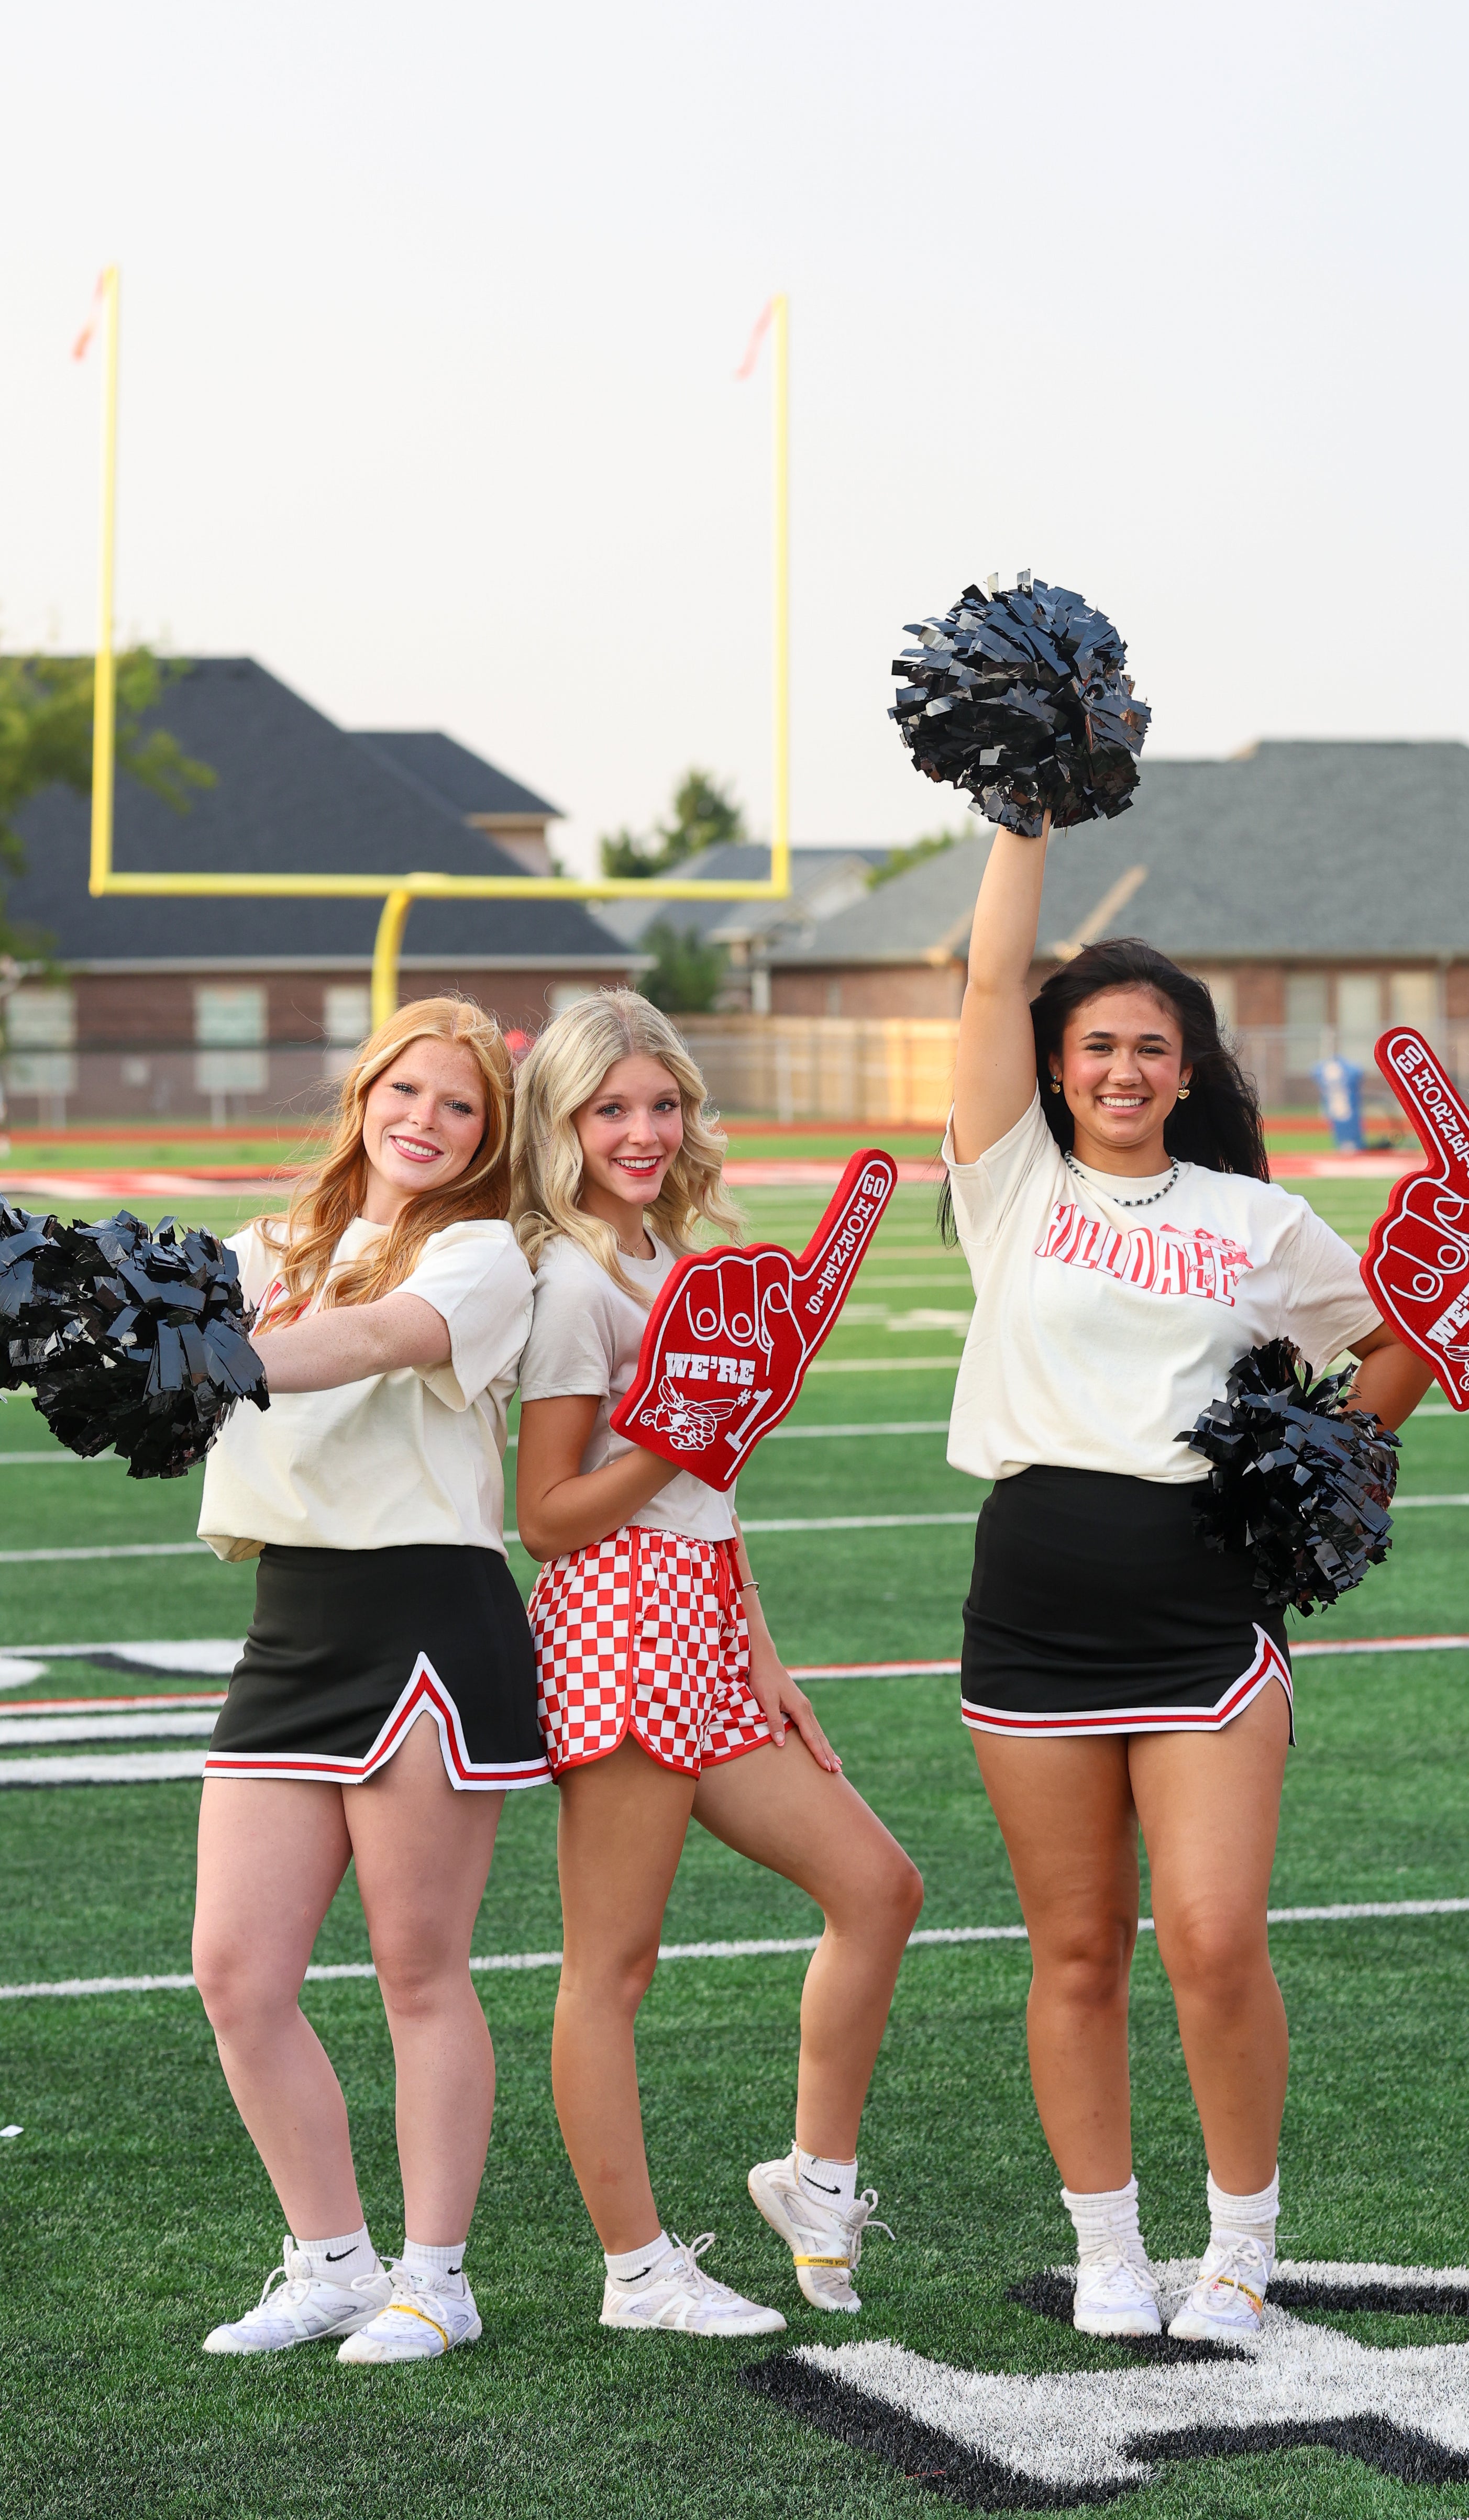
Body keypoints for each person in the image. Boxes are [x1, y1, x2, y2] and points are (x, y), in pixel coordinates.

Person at [942, 822, 1432, 2346]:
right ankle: (1108, 2249)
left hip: (1206, 1607)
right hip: (1033, 1605)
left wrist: (1332, 1451)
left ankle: (1239, 2247)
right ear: (1057, 1063)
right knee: (1077, 1952)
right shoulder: (1010, 1183)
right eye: (1096, 1046)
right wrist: (1024, 817)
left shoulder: (1258, 1221)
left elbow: (1400, 1339)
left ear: (1192, 1067)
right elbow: (985, 978)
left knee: (1213, 1940)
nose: (1124, 1070)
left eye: (1154, 1048)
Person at [511, 989, 923, 2338]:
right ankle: (637, 2269)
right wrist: (676, 1432)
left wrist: (766, 1655)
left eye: (662, 1103)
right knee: (611, 1970)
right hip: (621, 1622)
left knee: (879, 1886)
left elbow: (714, 1494)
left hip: (708, 1622)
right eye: (609, 1109)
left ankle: (815, 2181)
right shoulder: (574, 1277)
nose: (641, 1130)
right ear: (562, 1123)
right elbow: (551, 1514)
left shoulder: (672, 1253)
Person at [192, 996, 545, 2366]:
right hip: (293, 1619)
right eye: (408, 1091)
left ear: (485, 1137)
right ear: (364, 1095)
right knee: (237, 1973)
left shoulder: (481, 1259)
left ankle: (434, 2277)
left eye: (461, 1107)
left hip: (424, 1622)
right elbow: (152, 1358)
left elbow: (375, 1340)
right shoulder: (260, 1251)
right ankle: (332, 2260)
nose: (427, 1120)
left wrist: (217, 1362)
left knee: (418, 1969)